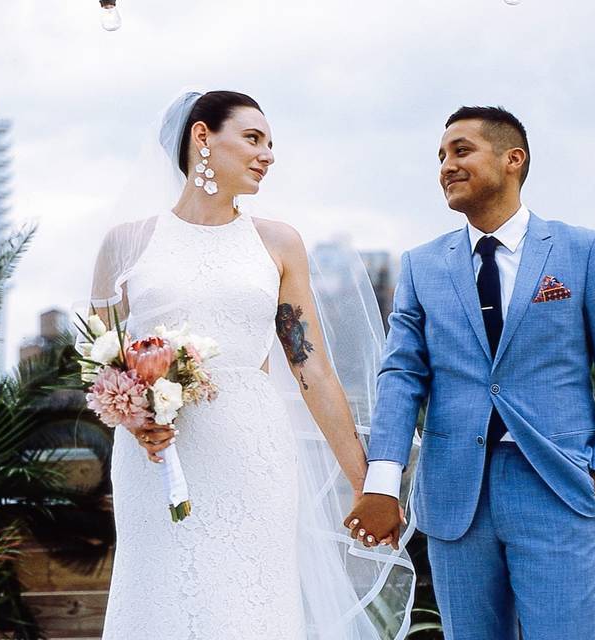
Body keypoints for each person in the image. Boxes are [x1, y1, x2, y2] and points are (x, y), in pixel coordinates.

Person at [89, 90, 414, 639]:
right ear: (201, 137)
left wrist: (368, 484)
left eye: (271, 144)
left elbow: (313, 372)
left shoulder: (278, 244)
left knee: (249, 604)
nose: (267, 155)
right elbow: (101, 363)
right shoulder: (124, 244)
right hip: (154, 458)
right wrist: (135, 418)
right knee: (158, 600)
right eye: (253, 138)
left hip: (251, 453)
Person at [345, 105, 595, 639]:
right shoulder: (423, 265)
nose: (446, 165)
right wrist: (382, 483)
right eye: (441, 156)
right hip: (456, 496)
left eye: (461, 150)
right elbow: (400, 377)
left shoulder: (581, 251)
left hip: (558, 486)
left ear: (514, 159)